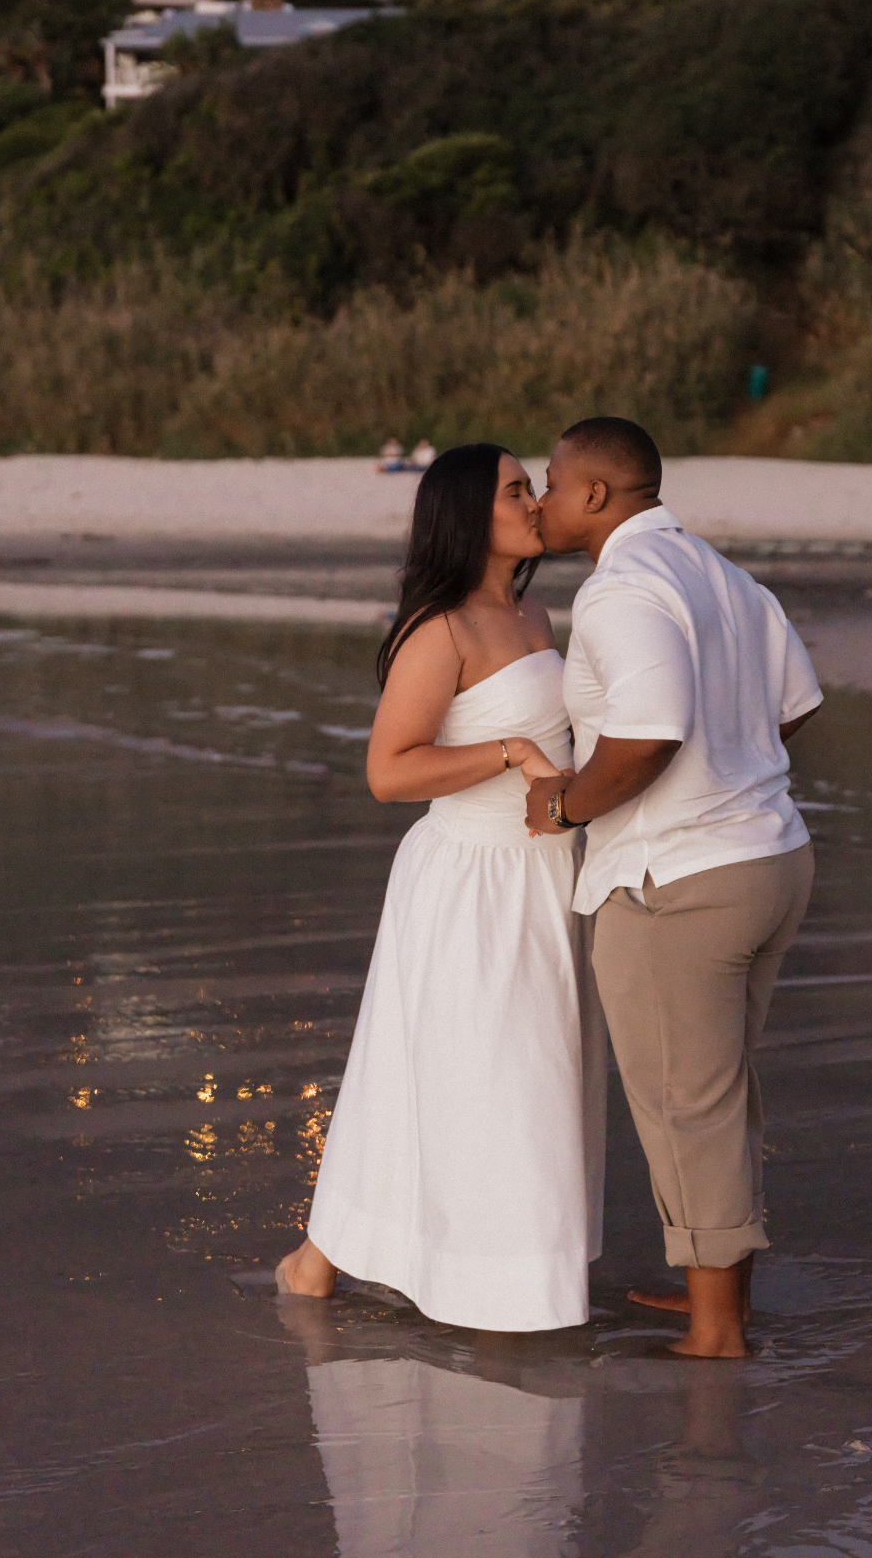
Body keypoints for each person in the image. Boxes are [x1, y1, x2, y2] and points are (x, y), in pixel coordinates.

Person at [278, 443, 607, 1330]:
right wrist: (508, 751)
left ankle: (353, 1261)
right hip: (472, 879)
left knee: (520, 1079)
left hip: (546, 876)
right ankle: (485, 1288)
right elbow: (389, 772)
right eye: (515, 490)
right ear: (471, 514)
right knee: (481, 1082)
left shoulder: (537, 615)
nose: (536, 500)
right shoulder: (443, 628)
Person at [527, 416, 822, 1358]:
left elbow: (647, 734)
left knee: (684, 1104)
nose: (541, 500)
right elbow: (793, 706)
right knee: (717, 1092)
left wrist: (569, 807)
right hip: (771, 860)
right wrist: (730, 783)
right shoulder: (724, 576)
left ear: (598, 495)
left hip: (682, 882)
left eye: (552, 482)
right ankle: (710, 1290)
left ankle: (716, 1331)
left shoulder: (623, 589)